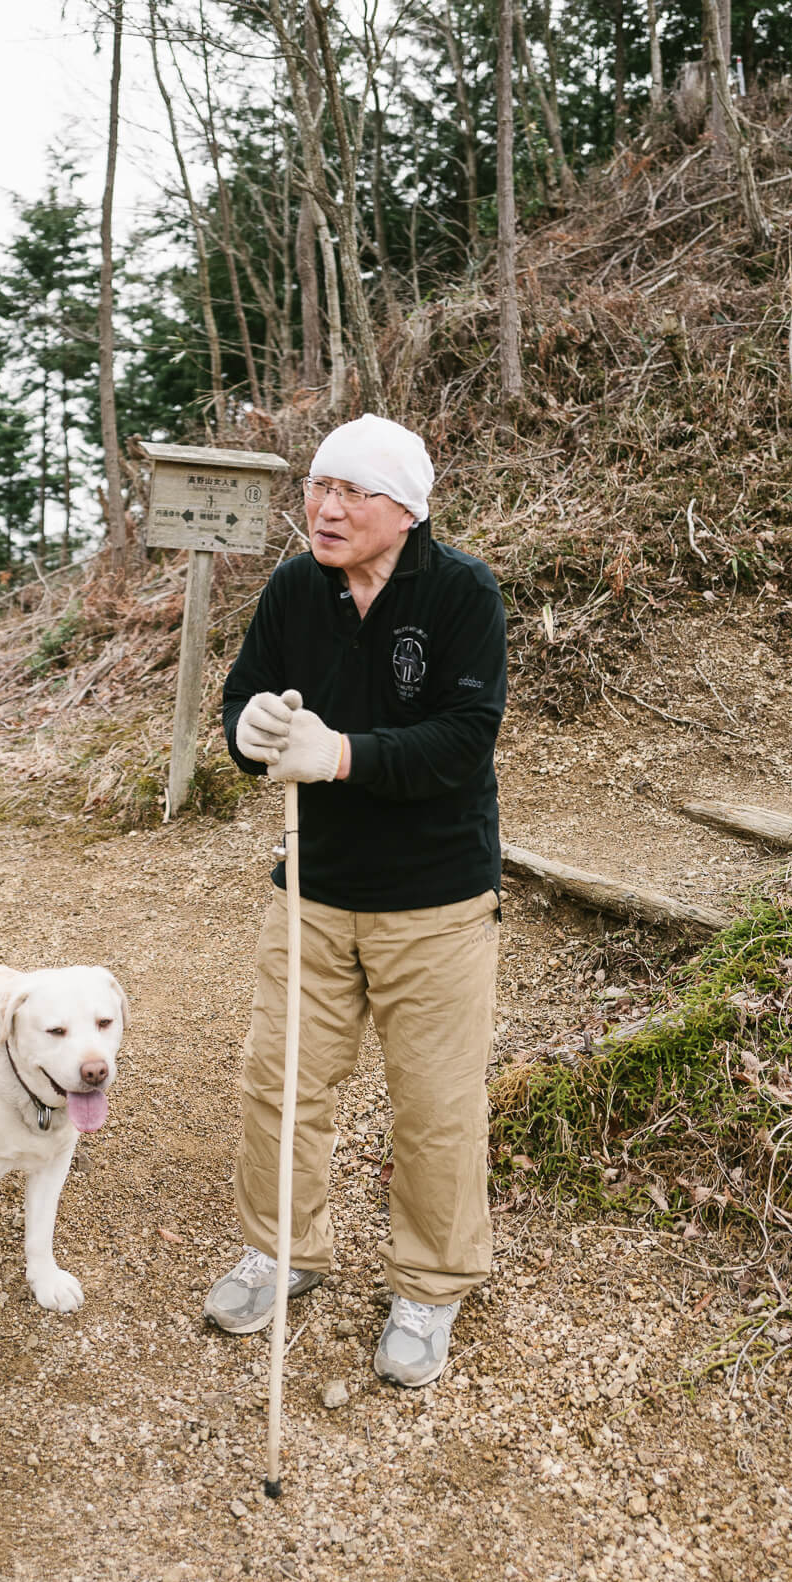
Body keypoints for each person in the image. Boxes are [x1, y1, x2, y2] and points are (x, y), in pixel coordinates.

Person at [205, 412, 507, 1388]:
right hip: (315, 888)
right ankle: (284, 1247)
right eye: (318, 485)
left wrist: (339, 752)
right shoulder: (297, 589)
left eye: (352, 491)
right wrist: (250, 725)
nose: (326, 507)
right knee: (281, 1079)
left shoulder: (461, 592)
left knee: (434, 1105)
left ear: (406, 510)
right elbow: (244, 697)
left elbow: (465, 737)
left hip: (437, 898)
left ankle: (428, 1283)